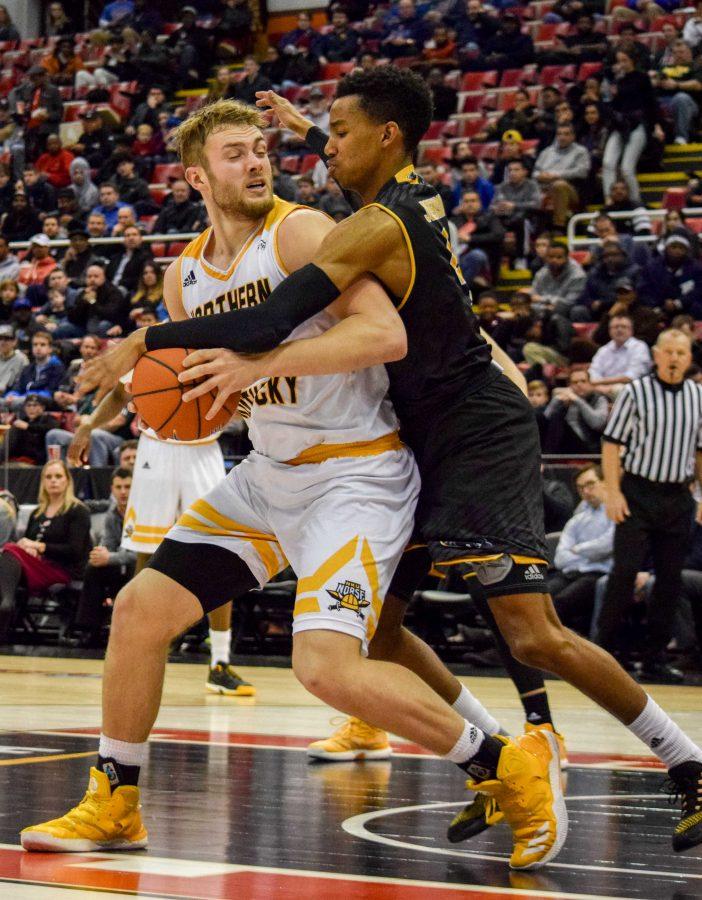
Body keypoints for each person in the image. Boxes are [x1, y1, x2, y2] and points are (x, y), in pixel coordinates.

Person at [86, 72, 702, 855]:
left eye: (334, 134)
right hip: (404, 430)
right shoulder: (394, 189)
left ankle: (657, 760)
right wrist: (310, 126)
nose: (315, 150)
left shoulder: (368, 223)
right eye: (311, 138)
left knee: (529, 630)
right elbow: (355, 161)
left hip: (469, 427)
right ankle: (501, 756)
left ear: (384, 138)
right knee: (378, 634)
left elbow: (280, 317)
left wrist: (148, 340)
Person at [20, 99, 508, 864]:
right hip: (271, 474)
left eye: (261, 149)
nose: (257, 162)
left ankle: (502, 764)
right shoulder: (185, 279)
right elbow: (230, 395)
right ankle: (115, 800)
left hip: (358, 472)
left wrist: (258, 366)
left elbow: (383, 333)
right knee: (141, 609)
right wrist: (197, 406)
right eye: (236, 154)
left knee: (325, 667)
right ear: (195, 177)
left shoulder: (305, 231)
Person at [71, 380, 255, 695]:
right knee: (147, 554)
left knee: (219, 553)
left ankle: (220, 663)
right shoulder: (151, 345)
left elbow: (244, 396)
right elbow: (119, 394)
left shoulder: (220, 338)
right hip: (156, 448)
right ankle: (135, 650)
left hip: (203, 449)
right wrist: (89, 424)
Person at [599, 329, 702, 682]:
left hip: (678, 496)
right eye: (669, 352)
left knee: (669, 580)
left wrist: (700, 496)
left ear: (689, 359)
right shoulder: (635, 391)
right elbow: (612, 444)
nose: (674, 358)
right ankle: (603, 651)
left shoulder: (698, 396)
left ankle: (655, 656)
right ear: (656, 355)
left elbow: (700, 452)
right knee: (624, 573)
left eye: (681, 353)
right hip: (638, 493)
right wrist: (613, 492)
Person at [0, 459, 91, 641]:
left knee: (9, 548)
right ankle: (5, 606)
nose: (53, 481)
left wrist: (40, 547)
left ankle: (6, 604)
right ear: (43, 482)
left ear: (67, 481)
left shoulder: (78, 511)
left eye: (58, 476)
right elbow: (27, 543)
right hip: (36, 567)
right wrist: (29, 548)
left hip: (63, 569)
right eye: (48, 477)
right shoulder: (37, 512)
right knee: (10, 551)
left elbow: (75, 551)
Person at [69, 468, 136, 649]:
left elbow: (140, 555)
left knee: (129, 567)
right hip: (120, 567)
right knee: (94, 567)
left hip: (141, 570)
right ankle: (89, 630)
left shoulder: (144, 514)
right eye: (119, 487)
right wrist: (100, 554)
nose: (123, 491)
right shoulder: (112, 514)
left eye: (128, 487)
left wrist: (109, 558)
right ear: (112, 489)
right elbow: (108, 543)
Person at [551, 465, 614, 635]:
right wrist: (587, 555)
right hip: (571, 573)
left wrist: (577, 549)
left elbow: (607, 546)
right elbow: (560, 557)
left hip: (599, 574)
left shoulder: (617, 508)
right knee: (540, 597)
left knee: (560, 603)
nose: (586, 491)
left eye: (590, 484)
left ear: (605, 483)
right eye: (580, 488)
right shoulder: (580, 513)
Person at [602, 49, 658, 204]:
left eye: (624, 60)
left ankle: (635, 201)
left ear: (632, 60)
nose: (621, 64)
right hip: (619, 125)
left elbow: (651, 104)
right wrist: (612, 89)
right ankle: (609, 199)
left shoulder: (641, 78)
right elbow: (610, 105)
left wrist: (655, 126)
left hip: (637, 124)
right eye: (619, 61)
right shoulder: (616, 80)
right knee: (608, 163)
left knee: (627, 168)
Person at [533, 124, 590, 231]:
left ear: (573, 136)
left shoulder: (581, 151)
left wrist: (556, 175)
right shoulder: (547, 152)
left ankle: (559, 226)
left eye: (566, 134)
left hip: (571, 189)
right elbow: (535, 172)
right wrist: (540, 176)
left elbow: (582, 172)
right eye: (559, 134)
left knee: (559, 185)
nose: (562, 137)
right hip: (544, 187)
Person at [543, 369, 610, 454]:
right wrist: (556, 401)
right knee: (553, 417)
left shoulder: (599, 399)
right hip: (564, 442)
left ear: (590, 384)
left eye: (583, 381)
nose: (579, 385)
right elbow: (545, 421)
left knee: (557, 418)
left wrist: (577, 400)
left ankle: (546, 459)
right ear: (569, 385)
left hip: (588, 444)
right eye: (575, 382)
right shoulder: (564, 399)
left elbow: (597, 424)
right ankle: (545, 459)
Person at [589, 314, 652, 396]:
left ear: (631, 330)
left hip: (631, 390)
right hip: (601, 388)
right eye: (615, 327)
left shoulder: (639, 347)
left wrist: (603, 384)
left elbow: (630, 378)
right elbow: (593, 372)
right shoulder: (603, 350)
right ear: (609, 330)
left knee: (618, 389)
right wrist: (600, 386)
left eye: (623, 327)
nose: (619, 330)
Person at [4, 330, 65, 409]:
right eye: (35, 345)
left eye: (42, 345)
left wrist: (29, 396)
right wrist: (11, 395)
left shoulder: (57, 367)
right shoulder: (28, 368)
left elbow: (51, 391)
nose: (38, 348)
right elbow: (18, 386)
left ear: (50, 349)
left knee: (19, 402)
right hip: (23, 400)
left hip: (44, 402)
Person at [68, 264, 130, 338]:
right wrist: (83, 302)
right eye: (89, 276)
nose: (92, 279)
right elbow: (73, 318)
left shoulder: (113, 292)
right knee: (65, 328)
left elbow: (111, 315)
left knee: (103, 325)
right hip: (84, 326)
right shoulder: (84, 292)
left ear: (103, 278)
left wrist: (93, 302)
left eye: (96, 276)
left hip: (107, 323)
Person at [530, 242, 586, 317]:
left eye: (559, 257)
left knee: (577, 311)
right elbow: (533, 298)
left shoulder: (578, 275)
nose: (554, 260)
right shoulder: (541, 274)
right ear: (546, 258)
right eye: (551, 257)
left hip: (568, 312)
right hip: (545, 310)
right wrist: (546, 308)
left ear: (567, 258)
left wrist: (543, 299)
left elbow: (569, 303)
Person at [3, 394, 53, 465]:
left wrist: (28, 427)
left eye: (35, 405)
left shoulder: (48, 419)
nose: (31, 408)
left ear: (43, 407)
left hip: (37, 458)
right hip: (18, 457)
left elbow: (51, 429)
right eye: (28, 405)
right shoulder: (23, 421)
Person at [105, 225, 153, 297]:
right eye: (127, 235)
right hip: (110, 290)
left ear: (140, 239)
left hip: (130, 293)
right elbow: (107, 277)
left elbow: (139, 280)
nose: (131, 238)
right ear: (124, 240)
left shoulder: (145, 257)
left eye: (134, 235)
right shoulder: (115, 258)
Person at [0, 325, 27, 394]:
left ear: (14, 341)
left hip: (10, 396)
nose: (2, 342)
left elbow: (22, 383)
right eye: (0, 338)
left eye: (7, 338)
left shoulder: (21, 359)